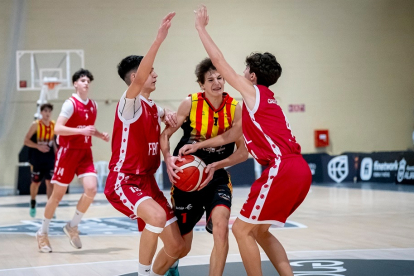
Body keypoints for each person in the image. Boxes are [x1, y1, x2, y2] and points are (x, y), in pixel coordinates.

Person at [180, 6, 312, 276]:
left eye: (244, 70)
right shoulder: (264, 104)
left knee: (241, 230)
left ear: (252, 76)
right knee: (260, 232)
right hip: (299, 170)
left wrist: (200, 29)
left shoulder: (254, 93)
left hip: (282, 169)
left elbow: (219, 61)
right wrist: (212, 159)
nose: (237, 74)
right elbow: (239, 148)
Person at [104, 12, 186, 276]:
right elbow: (140, 83)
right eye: (150, 71)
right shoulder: (130, 104)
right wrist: (158, 40)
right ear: (135, 77)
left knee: (177, 246)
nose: (155, 75)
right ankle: (144, 274)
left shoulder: (151, 106)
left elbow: (164, 114)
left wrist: (171, 117)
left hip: (148, 181)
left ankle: (158, 272)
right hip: (125, 179)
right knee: (158, 217)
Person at [161, 58, 248, 276]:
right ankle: (171, 266)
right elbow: (165, 135)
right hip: (186, 180)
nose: (217, 83)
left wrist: (217, 165)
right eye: (210, 79)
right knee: (182, 246)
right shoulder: (189, 103)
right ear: (201, 84)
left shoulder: (236, 109)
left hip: (216, 177)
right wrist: (167, 158)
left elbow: (244, 152)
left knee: (221, 229)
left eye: (220, 78)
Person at [35, 68, 110, 253]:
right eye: (82, 80)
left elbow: (88, 129)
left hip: (85, 153)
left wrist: (100, 135)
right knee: (57, 196)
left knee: (91, 189)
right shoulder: (70, 104)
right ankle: (42, 232)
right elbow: (58, 129)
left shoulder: (93, 105)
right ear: (75, 83)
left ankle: (72, 226)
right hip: (67, 154)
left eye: (88, 81)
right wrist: (80, 131)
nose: (86, 83)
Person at [24, 103, 56, 218]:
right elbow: (26, 140)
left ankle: (51, 208)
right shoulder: (36, 125)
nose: (47, 114)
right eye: (45, 111)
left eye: (49, 111)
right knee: (35, 183)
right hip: (37, 158)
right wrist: (38, 146)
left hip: (49, 158)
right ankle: (33, 202)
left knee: (50, 183)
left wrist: (57, 154)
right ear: (41, 112)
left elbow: (54, 141)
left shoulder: (54, 125)